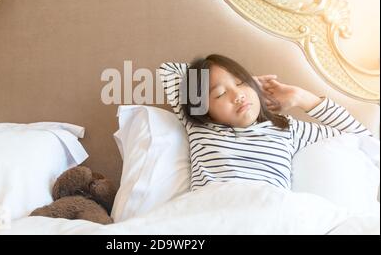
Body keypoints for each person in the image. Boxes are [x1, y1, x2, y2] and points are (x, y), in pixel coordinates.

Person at [159, 54, 372, 191]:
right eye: (221, 93)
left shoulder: (287, 128)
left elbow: (365, 140)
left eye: (241, 83)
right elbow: (168, 70)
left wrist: (302, 98)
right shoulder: (200, 127)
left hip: (269, 212)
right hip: (213, 210)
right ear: (202, 108)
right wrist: (250, 81)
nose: (238, 95)